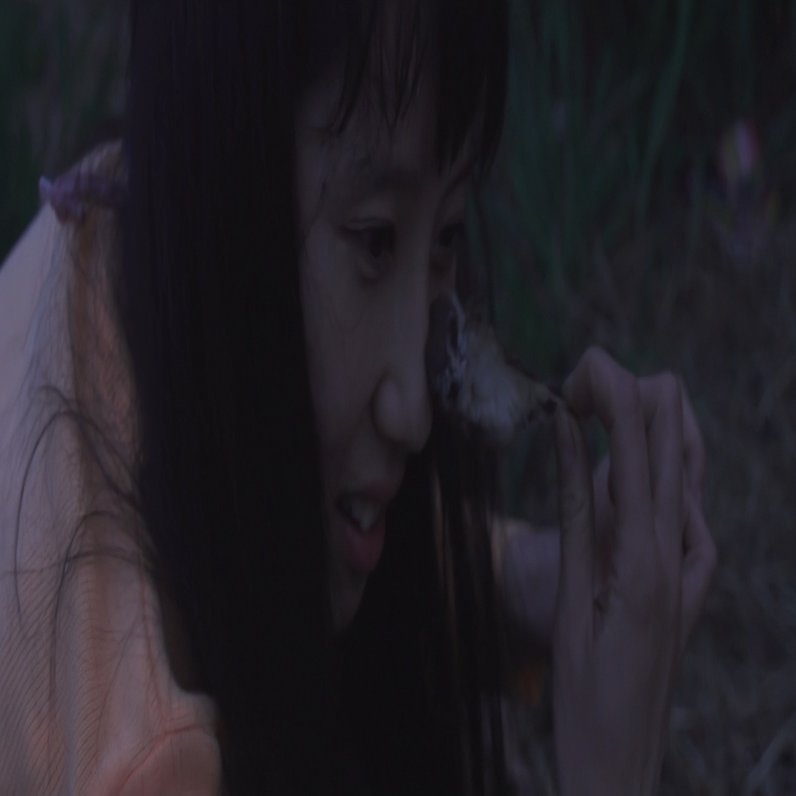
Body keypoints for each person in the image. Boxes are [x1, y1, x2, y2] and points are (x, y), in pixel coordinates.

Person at [0, 1, 716, 793]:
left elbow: (267, 540)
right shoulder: (140, 759)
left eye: (445, 236)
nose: (415, 410)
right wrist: (614, 774)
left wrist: (533, 584)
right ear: (227, 189)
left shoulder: (126, 220)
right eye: (376, 240)